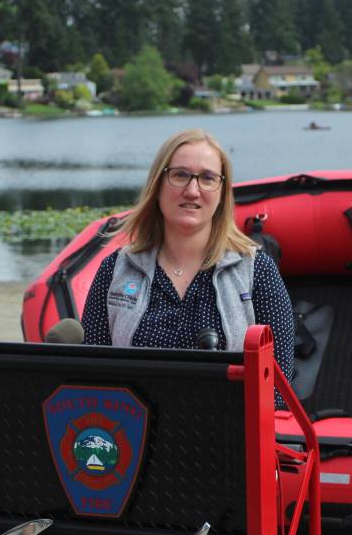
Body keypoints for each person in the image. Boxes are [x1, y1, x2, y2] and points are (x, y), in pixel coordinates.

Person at [80, 128, 295, 406]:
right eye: (180, 175)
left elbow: (278, 390)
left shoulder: (257, 271)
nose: (192, 191)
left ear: (221, 193)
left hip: (227, 439)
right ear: (157, 185)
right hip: (136, 438)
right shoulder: (115, 270)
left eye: (207, 178)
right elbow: (91, 374)